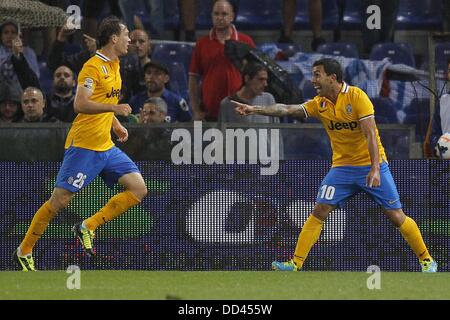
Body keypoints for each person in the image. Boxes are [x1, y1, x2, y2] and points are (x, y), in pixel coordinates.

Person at [233, 58, 437, 273]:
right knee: (320, 210)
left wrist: (375, 168)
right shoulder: (320, 103)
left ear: (332, 78)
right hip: (342, 169)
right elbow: (287, 109)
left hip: (371, 164)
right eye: (312, 75)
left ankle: (427, 260)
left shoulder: (357, 97)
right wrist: (254, 109)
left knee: (396, 216)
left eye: (317, 75)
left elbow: (370, 135)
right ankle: (295, 263)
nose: (313, 80)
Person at [13, 16, 148, 271]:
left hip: (106, 146)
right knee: (59, 201)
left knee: (138, 188)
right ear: (113, 38)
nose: (130, 38)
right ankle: (24, 250)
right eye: (126, 34)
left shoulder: (116, 65)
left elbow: (102, 101)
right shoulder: (92, 67)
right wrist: (115, 108)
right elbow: (80, 104)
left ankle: (88, 226)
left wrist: (114, 124)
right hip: (84, 145)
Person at [189, 0, 255, 121]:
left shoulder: (246, 42)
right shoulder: (202, 44)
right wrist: (196, 110)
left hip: (240, 113)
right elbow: (193, 78)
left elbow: (255, 77)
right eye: (216, 14)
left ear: (232, 16)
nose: (219, 18)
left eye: (224, 14)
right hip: (209, 114)